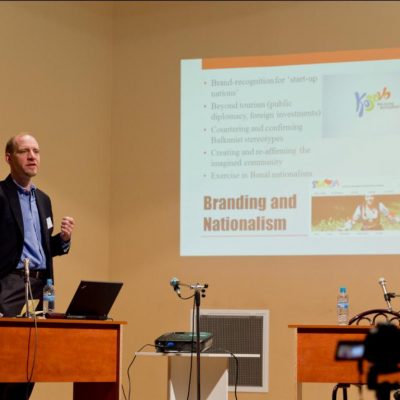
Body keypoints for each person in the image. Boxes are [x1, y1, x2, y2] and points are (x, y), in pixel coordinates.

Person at [0, 133, 75, 399]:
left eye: (36, 151)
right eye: (24, 151)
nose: (32, 156)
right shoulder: (1, 194)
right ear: (9, 158)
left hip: (42, 286)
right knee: (8, 361)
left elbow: (41, 249)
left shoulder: (44, 199)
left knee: (32, 362)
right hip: (10, 285)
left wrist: (62, 240)